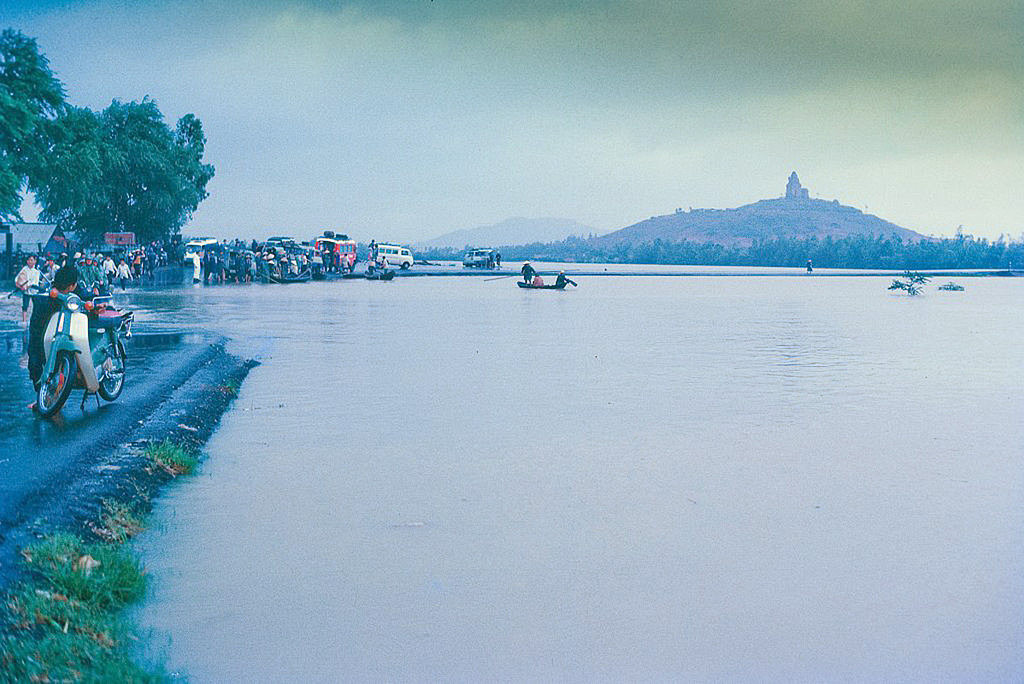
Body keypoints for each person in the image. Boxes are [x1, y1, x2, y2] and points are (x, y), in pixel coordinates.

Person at [27, 265, 78, 398]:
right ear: (72, 286)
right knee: (37, 358)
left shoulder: (66, 297)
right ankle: (44, 397)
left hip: (42, 338)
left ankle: (44, 396)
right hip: (42, 337)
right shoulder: (47, 297)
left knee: (36, 359)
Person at [14, 255, 41, 323]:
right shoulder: (24, 269)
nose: (29, 262)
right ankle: (24, 320)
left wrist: (27, 286)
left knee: (36, 306)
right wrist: (18, 285)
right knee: (25, 306)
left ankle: (35, 320)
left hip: (34, 291)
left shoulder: (36, 271)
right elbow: (18, 278)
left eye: (31, 260)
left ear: (35, 261)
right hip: (25, 291)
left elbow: (34, 282)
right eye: (28, 260)